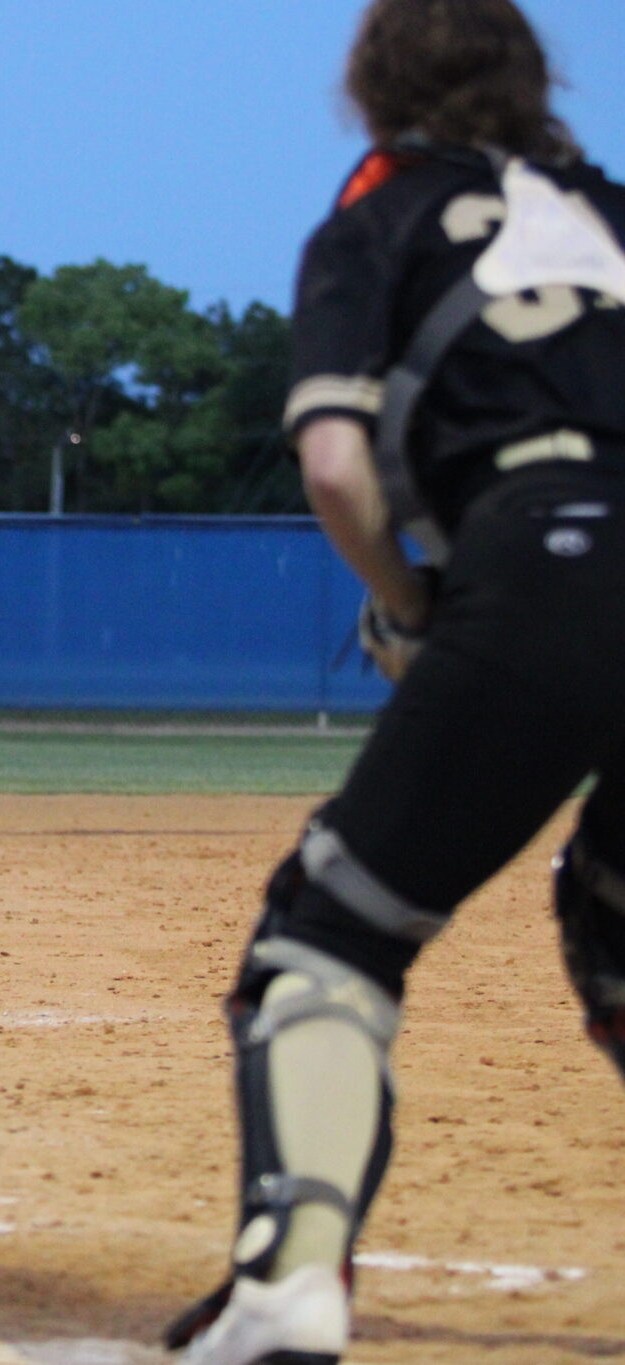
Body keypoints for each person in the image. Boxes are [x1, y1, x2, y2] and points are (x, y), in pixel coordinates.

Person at [166, 2, 625, 1361]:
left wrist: (412, 606)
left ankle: (293, 1282)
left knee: (328, 937)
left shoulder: (377, 215)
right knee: (618, 915)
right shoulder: (607, 207)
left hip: (547, 552)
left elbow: (334, 467)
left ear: (372, 93)